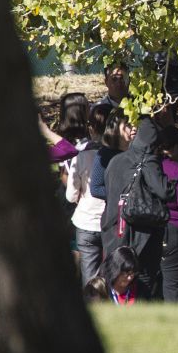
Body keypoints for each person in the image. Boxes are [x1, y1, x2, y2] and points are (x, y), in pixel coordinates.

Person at [101, 118, 175, 298]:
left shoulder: (116, 160)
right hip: (141, 235)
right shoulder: (148, 160)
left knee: (116, 280)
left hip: (114, 230)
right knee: (141, 282)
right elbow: (164, 191)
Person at [66, 104, 113, 286]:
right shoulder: (119, 156)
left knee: (90, 279)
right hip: (111, 222)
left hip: (86, 222)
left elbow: (71, 195)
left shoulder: (81, 156)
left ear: (92, 128)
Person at [158, 126, 178, 302]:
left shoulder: (150, 166)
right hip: (174, 229)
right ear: (177, 147)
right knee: (174, 286)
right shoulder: (177, 170)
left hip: (152, 228)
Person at [89, 109, 135, 201]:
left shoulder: (138, 151)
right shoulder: (105, 154)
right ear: (116, 127)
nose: (134, 128)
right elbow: (96, 189)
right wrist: (125, 195)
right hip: (117, 210)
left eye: (136, 124)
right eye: (128, 125)